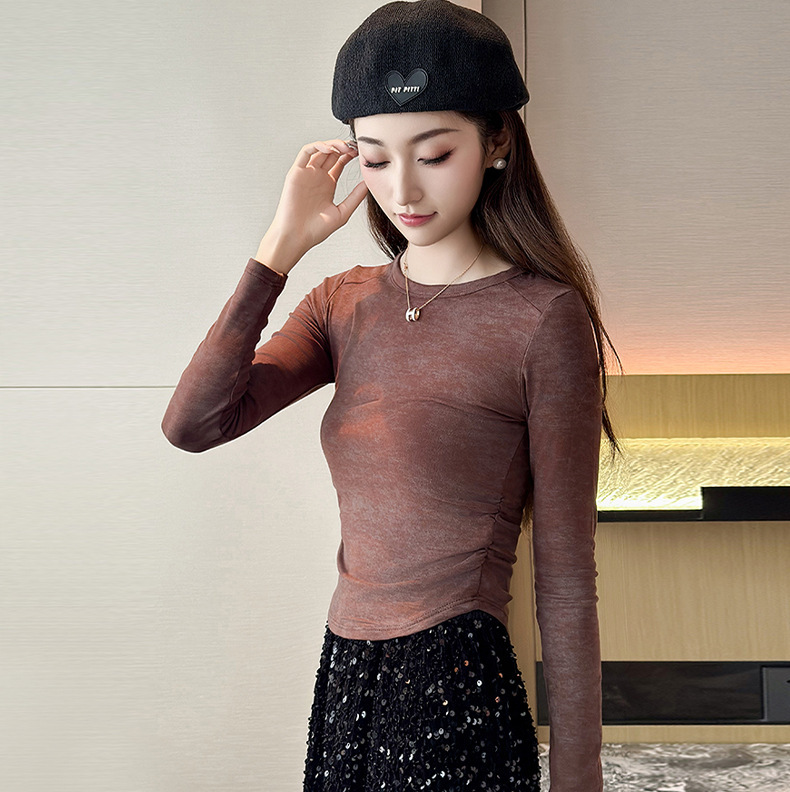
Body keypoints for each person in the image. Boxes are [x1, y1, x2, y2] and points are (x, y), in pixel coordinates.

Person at [161, 1, 624, 789]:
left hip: (456, 687)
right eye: (374, 160)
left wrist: (578, 778)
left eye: (434, 153)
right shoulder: (343, 303)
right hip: (347, 680)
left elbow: (566, 579)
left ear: (498, 141)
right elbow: (194, 423)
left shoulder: (543, 318)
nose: (402, 188)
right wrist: (277, 251)